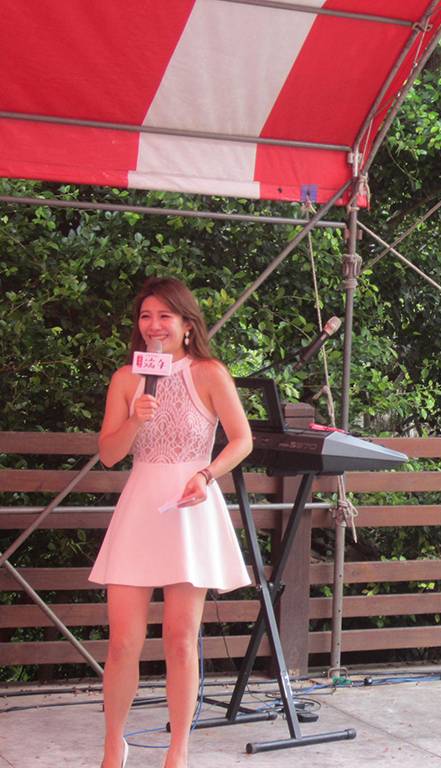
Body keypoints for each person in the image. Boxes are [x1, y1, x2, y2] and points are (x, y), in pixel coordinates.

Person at [89, 277, 252, 768]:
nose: (154, 325)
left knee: (181, 639)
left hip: (189, 506)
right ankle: (112, 746)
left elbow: (241, 440)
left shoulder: (210, 372)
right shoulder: (126, 378)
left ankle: (177, 751)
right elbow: (109, 454)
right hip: (141, 506)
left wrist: (207, 474)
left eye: (164, 316)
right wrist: (135, 419)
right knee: (123, 641)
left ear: (187, 325)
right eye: (146, 316)